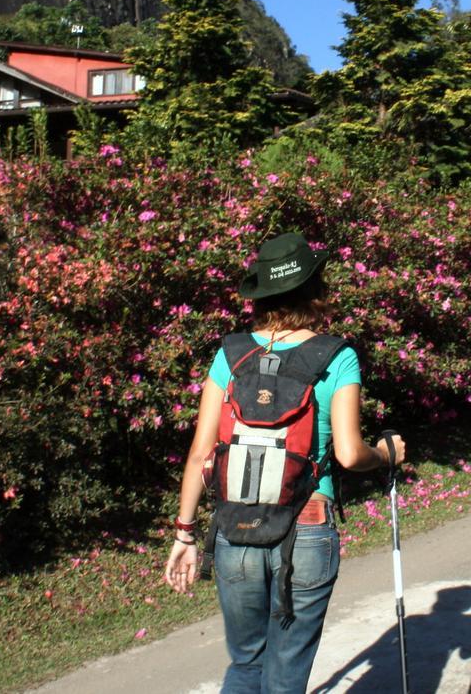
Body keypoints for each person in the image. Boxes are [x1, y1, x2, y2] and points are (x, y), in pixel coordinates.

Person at [164, 231, 407, 694]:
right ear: (315, 290)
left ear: (262, 294)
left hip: (235, 530)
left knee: (246, 663)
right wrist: (387, 453)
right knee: (285, 675)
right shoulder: (337, 355)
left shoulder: (231, 354)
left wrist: (185, 532)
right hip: (308, 527)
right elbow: (350, 454)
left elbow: (200, 454)